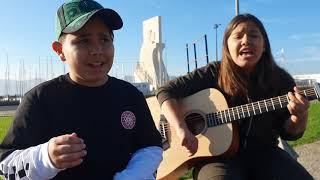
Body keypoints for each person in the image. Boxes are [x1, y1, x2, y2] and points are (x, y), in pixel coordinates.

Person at [0, 0, 162, 179]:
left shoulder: (131, 95)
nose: (97, 50)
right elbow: (6, 164)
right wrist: (45, 157)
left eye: (104, 39)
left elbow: (151, 147)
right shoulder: (40, 99)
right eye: (83, 40)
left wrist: (131, 176)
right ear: (60, 50)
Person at [156, 13, 313, 180]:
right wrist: (181, 128)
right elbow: (166, 92)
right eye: (238, 36)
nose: (246, 41)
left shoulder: (282, 80)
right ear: (227, 46)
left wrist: (299, 116)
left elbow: (291, 134)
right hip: (215, 158)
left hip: (265, 153)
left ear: (264, 45)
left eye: (253, 35)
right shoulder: (212, 72)